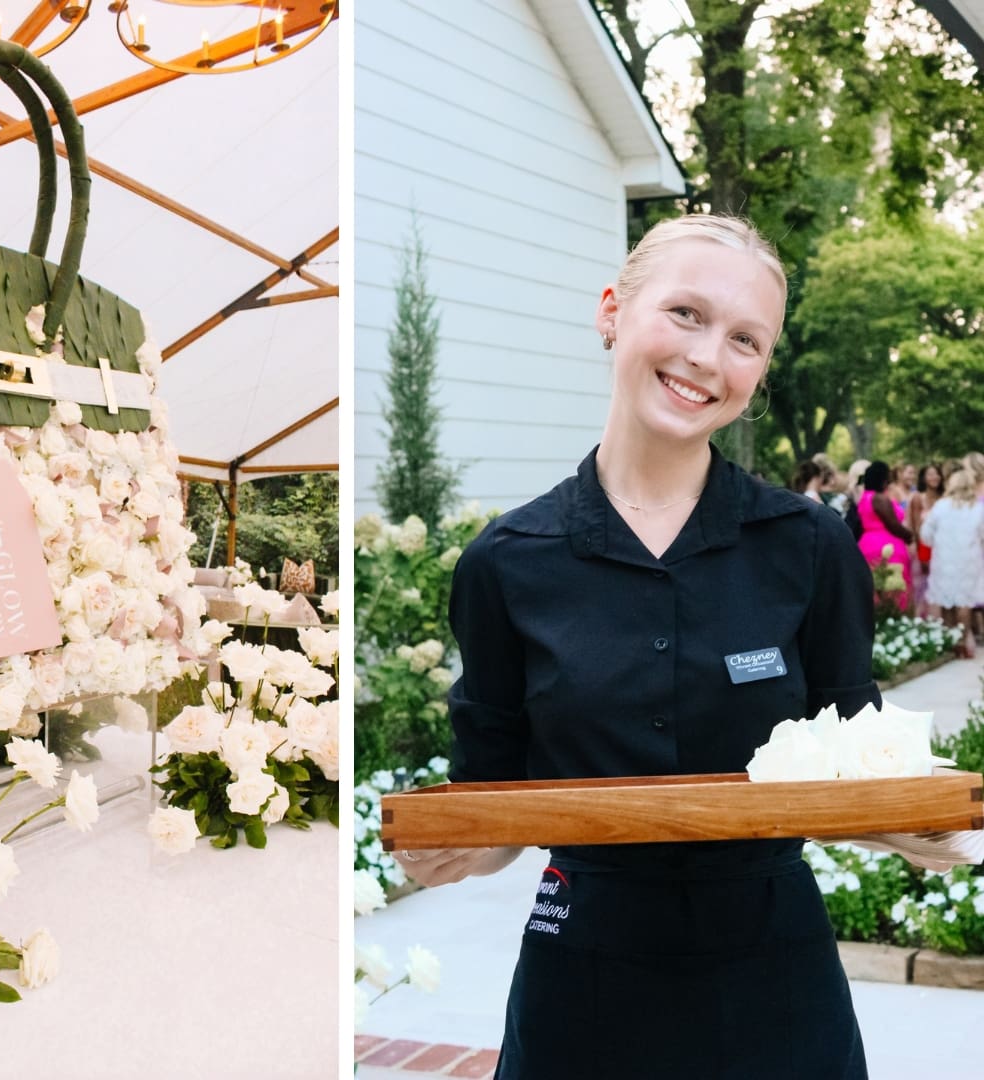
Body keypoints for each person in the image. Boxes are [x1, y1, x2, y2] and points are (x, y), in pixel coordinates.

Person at [398, 215, 931, 1078]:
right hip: (583, 977)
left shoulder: (809, 548)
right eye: (685, 313)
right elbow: (497, 807)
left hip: (775, 977)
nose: (707, 358)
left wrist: (922, 832)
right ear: (612, 310)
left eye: (745, 340)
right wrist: (453, 853)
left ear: (759, 371)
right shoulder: (506, 564)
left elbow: (857, 775)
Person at [921, 468, 984, 658]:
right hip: (969, 559)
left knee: (945, 601)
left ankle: (951, 641)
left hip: (944, 559)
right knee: (964, 602)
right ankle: (964, 641)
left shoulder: (941, 506)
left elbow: (926, 534)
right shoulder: (978, 508)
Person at [856, 461, 913, 608]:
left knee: (875, 591)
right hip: (886, 548)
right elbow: (893, 524)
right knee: (893, 592)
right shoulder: (879, 498)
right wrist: (910, 536)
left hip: (866, 545)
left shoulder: (864, 497)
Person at [908, 462, 944, 617]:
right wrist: (921, 554)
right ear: (923, 478)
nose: (934, 477)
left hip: (943, 549)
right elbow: (916, 528)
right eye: (930, 474)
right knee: (923, 587)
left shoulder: (945, 498)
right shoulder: (918, 498)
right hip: (924, 548)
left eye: (936, 473)